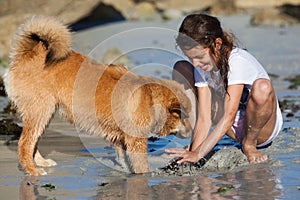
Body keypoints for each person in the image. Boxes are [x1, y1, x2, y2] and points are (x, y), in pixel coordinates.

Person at [165, 13, 283, 164]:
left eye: (199, 57)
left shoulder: (237, 61)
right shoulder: (200, 65)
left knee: (263, 87)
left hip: (260, 129)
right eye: (191, 58)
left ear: (217, 44)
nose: (195, 64)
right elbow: (205, 117)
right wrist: (195, 153)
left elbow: (229, 115)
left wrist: (199, 153)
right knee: (181, 68)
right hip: (232, 129)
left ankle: (249, 144)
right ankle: (193, 137)